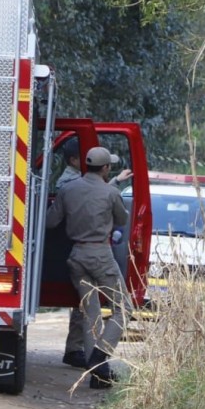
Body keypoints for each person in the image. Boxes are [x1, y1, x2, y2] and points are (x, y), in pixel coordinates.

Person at [46, 146, 131, 388]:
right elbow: (123, 219)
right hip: (100, 255)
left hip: (76, 256)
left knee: (90, 312)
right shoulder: (110, 192)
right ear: (106, 168)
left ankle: (97, 374)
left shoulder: (68, 189)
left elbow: (52, 221)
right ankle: (99, 358)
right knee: (124, 308)